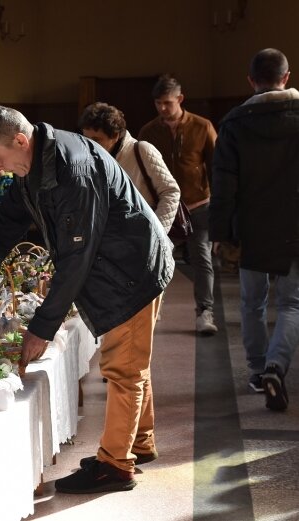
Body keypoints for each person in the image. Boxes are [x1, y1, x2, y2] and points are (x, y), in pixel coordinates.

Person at [0, 106, 174, 493]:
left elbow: (77, 258)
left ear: (20, 141)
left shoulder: (74, 170)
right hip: (120, 265)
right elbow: (6, 226)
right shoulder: (31, 167)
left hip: (132, 271)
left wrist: (42, 329)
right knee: (134, 360)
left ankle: (116, 466)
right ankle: (140, 441)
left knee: (123, 368)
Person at [210, 48, 299, 411]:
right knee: (292, 302)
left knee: (252, 301)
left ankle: (259, 369)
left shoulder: (234, 122)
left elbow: (224, 183)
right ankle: (278, 366)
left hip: (252, 226)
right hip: (295, 226)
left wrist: (219, 232)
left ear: (251, 81)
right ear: (287, 76)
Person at [139, 75, 218, 335]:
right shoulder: (149, 131)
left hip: (198, 204)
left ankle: (205, 313)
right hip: (164, 207)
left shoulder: (202, 126)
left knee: (202, 259)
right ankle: (154, 309)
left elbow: (216, 167)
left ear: (180, 99)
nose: (163, 108)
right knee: (158, 259)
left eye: (168, 103)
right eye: (158, 103)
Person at [79, 102, 180, 234]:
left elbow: (170, 192)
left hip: (142, 236)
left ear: (115, 136)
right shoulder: (88, 157)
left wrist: (156, 234)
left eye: (96, 140)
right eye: (85, 139)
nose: (89, 145)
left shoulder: (141, 150)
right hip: (109, 239)